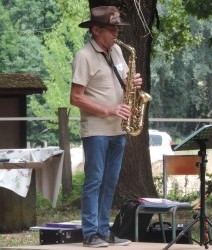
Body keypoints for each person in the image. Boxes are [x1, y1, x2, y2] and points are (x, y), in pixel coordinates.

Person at [70, 5, 143, 248]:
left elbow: (120, 83)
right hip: (96, 130)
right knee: (95, 180)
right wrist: (109, 110)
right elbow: (76, 97)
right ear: (95, 31)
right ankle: (90, 233)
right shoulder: (84, 56)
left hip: (118, 129)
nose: (116, 34)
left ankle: (105, 230)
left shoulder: (118, 53)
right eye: (112, 29)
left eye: (117, 29)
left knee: (110, 181)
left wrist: (132, 83)